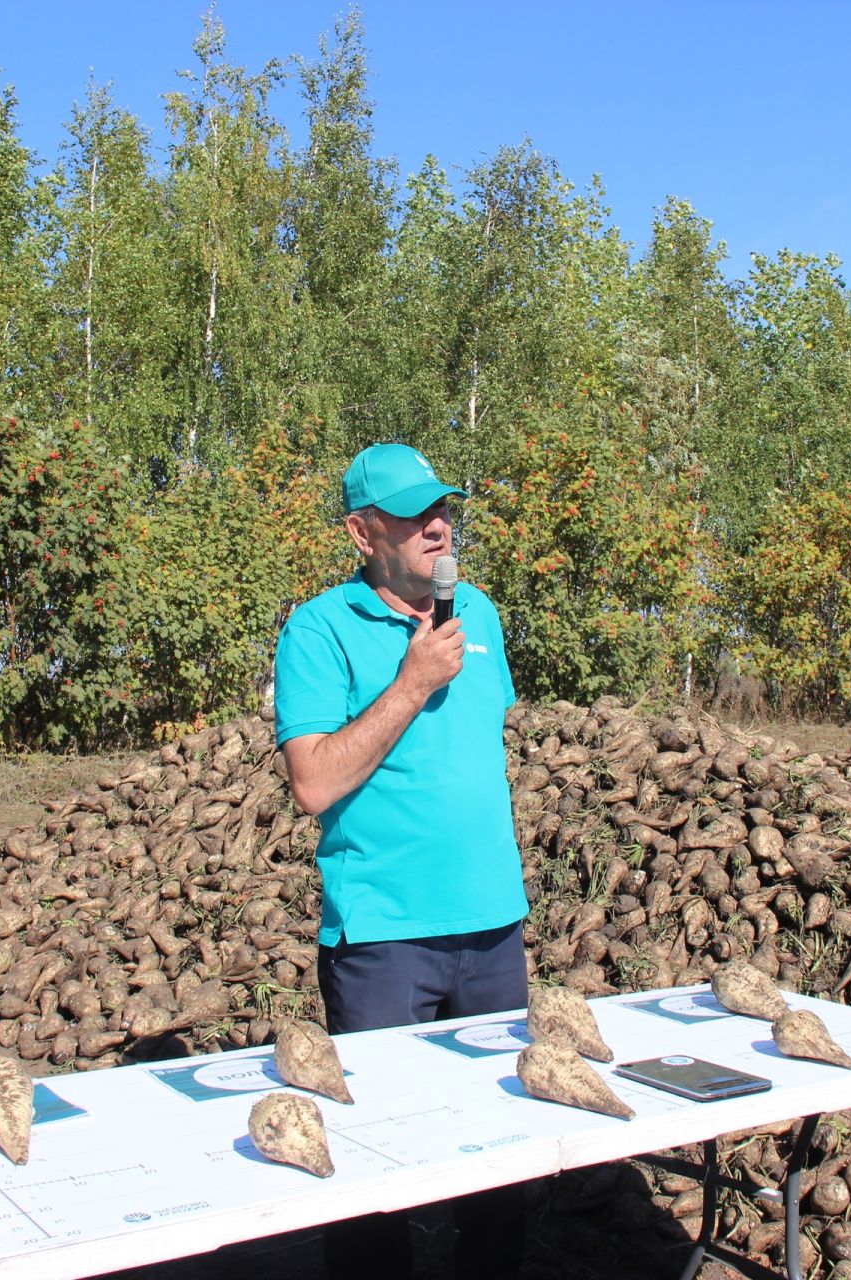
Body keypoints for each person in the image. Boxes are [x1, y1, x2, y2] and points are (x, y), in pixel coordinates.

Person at [273, 442, 530, 1279]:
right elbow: (313, 782)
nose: (437, 526)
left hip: (494, 929)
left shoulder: (480, 614)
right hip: (384, 939)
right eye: (414, 515)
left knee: (503, 1168)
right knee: (377, 1173)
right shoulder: (319, 630)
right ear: (362, 533)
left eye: (442, 508)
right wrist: (413, 682)